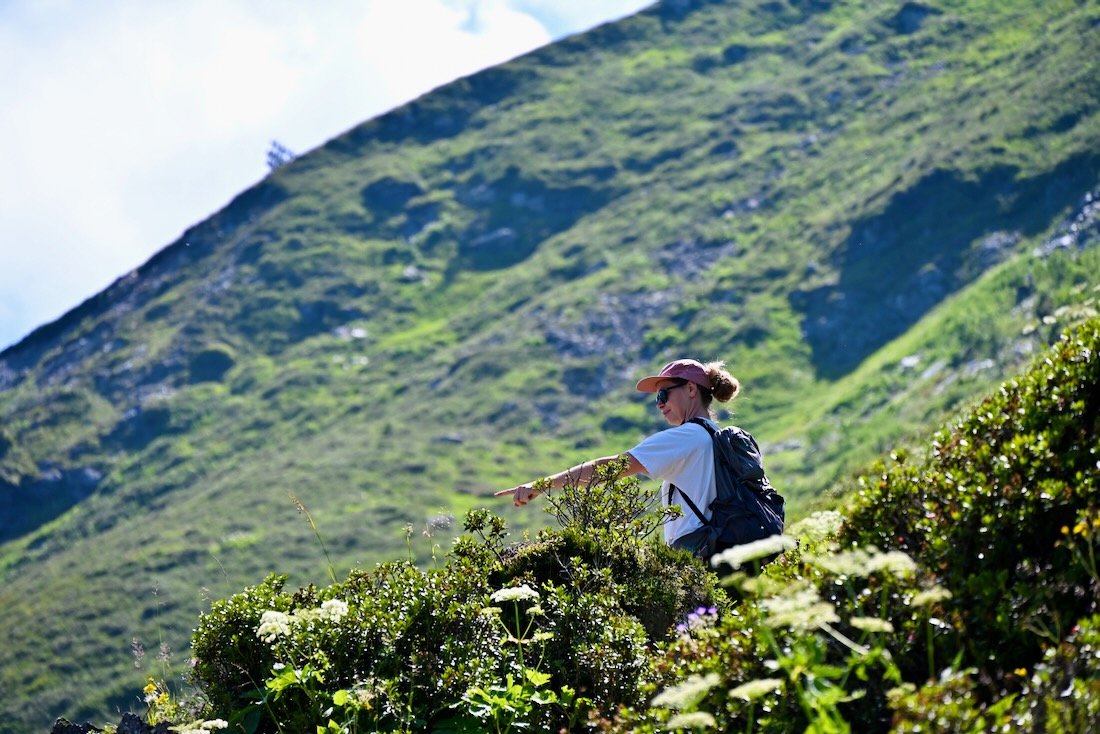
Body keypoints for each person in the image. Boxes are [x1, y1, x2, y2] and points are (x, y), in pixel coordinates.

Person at [495, 358, 741, 551]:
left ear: (690, 389)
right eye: (657, 398)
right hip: (722, 549)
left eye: (664, 394)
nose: (659, 403)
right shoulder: (716, 437)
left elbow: (610, 467)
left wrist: (541, 486)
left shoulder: (687, 437)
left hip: (700, 554)